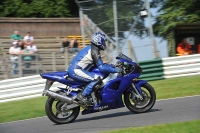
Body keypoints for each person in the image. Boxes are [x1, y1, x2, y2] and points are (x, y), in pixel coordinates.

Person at [67, 32, 122, 104]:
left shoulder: (93, 49)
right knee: (97, 79)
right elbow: (101, 67)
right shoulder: (94, 51)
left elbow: (100, 64)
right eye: (103, 41)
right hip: (76, 70)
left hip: (76, 69)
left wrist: (112, 66)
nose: (104, 43)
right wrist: (117, 70)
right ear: (98, 41)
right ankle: (82, 96)